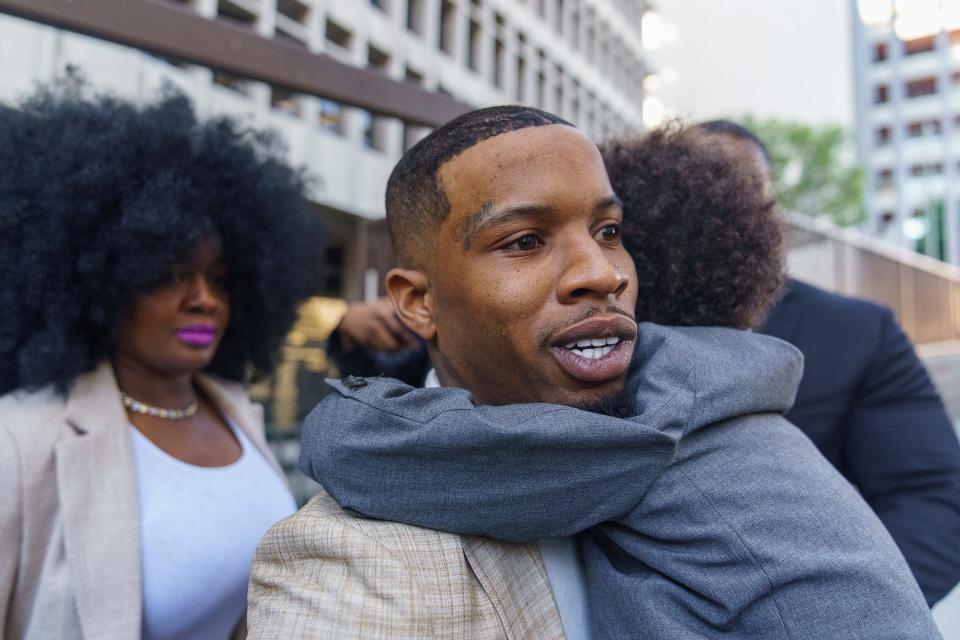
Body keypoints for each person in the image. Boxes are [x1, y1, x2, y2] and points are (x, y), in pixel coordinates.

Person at [248, 108, 938, 638]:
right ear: (419, 302)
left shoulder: (714, 418)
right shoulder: (340, 563)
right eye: (525, 241)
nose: (603, 273)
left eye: (609, 232)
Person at [0, 78, 323, 639]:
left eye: (218, 278)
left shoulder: (234, 407)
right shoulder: (21, 440)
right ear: (99, 279)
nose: (204, 298)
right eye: (168, 274)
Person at [694, 119, 960, 606]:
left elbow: (930, 496)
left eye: (741, 190)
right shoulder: (604, 327)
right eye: (693, 193)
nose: (720, 212)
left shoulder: (857, 333)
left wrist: (842, 616)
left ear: (773, 208)